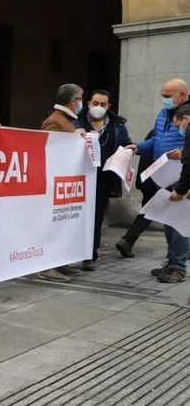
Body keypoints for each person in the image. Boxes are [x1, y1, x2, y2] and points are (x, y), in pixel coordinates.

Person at [125, 78, 188, 283]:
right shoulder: (163, 114)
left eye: (167, 96)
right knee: (169, 222)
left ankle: (178, 267)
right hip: (164, 176)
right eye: (162, 95)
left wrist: (185, 153)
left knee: (180, 222)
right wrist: (138, 147)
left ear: (182, 95)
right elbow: (157, 141)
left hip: (183, 178)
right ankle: (171, 263)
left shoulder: (188, 117)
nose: (164, 100)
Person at [75, 90, 132, 271]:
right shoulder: (77, 120)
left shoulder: (117, 125)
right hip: (79, 177)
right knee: (74, 216)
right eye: (95, 103)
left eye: (103, 105)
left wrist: (129, 149)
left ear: (109, 107)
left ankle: (89, 256)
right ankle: (69, 254)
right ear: (88, 103)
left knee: (96, 218)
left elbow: (125, 143)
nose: (98, 108)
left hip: (103, 179)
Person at [37, 83, 85, 282]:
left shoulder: (66, 119)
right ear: (72, 102)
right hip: (55, 183)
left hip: (64, 182)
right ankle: (48, 266)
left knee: (64, 223)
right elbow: (51, 149)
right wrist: (73, 138)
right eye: (80, 99)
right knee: (53, 225)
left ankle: (60, 263)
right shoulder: (55, 121)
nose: (82, 103)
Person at [115, 128, 156, 257]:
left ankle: (127, 241)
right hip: (156, 181)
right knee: (150, 212)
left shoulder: (156, 131)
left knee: (150, 212)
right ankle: (127, 240)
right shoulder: (168, 135)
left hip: (147, 179)